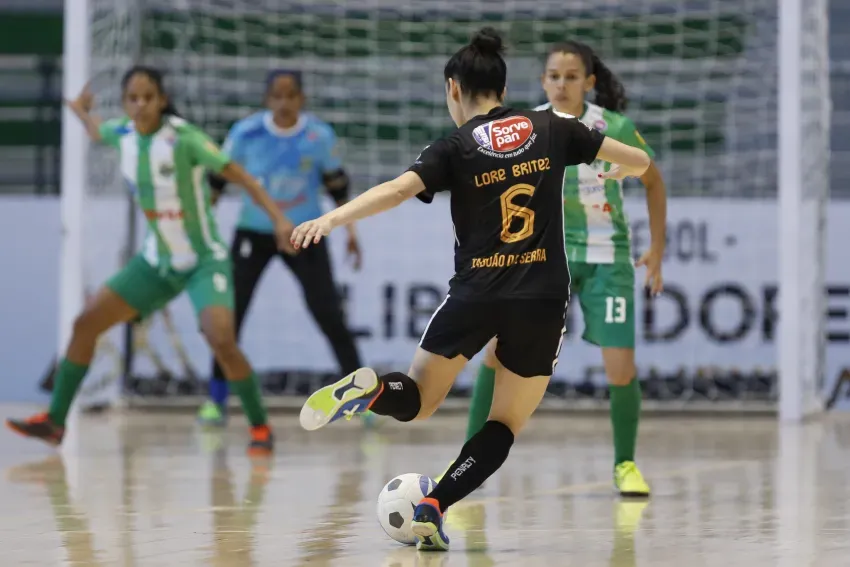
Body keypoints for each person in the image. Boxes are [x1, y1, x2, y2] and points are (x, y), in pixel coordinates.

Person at [290, 28, 651, 551]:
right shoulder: (553, 127)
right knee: (502, 424)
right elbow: (639, 162)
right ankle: (434, 505)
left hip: (475, 294)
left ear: (454, 89)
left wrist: (330, 217)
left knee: (416, 401)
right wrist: (616, 170)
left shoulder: (454, 147)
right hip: (540, 301)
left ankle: (371, 393)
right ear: (503, 89)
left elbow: (395, 191)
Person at [6, 65, 292, 455]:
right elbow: (97, 131)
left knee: (221, 339)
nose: (140, 105)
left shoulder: (184, 140)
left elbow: (244, 177)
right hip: (156, 263)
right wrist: (82, 113)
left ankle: (260, 427)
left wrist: (279, 221)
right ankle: (56, 422)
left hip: (203, 262)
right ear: (125, 103)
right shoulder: (121, 133)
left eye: (148, 97)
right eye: (133, 98)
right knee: (85, 323)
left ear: (162, 100)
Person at [462, 41, 667, 498]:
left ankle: (626, 464)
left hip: (605, 260)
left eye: (571, 76)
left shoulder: (613, 127)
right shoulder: (522, 128)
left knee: (620, 367)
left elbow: (652, 179)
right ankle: (467, 460)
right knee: (496, 353)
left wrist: (657, 248)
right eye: (554, 76)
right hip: (540, 256)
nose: (561, 84)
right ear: (542, 82)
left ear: (589, 83)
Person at [197, 70, 364, 427]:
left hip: (304, 233)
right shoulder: (245, 134)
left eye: (291, 95)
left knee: (329, 314)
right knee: (229, 318)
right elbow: (216, 182)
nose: (284, 102)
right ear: (266, 99)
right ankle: (216, 400)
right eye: (277, 95)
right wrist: (201, 230)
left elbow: (337, 186)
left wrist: (351, 232)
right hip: (254, 234)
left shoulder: (319, 136)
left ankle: (361, 399)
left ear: (301, 98)